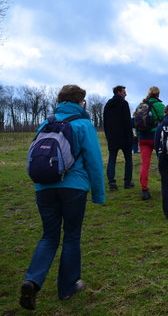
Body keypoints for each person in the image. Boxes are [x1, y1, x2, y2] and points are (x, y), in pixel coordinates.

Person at [19, 85, 105, 310]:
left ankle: (32, 280)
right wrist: (98, 193)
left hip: (44, 186)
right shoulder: (84, 124)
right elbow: (94, 162)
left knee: (48, 236)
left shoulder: (46, 123)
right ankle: (67, 287)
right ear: (80, 102)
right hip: (73, 187)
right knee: (72, 236)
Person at [135, 86, 165, 200]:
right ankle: (166, 185)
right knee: (163, 162)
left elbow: (137, 123)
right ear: (158, 94)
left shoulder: (140, 105)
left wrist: (139, 136)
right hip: (156, 138)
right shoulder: (160, 105)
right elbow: (164, 122)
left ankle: (144, 190)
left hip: (143, 138)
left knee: (145, 164)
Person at [103, 85, 134, 191]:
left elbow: (105, 122)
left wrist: (108, 136)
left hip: (112, 137)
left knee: (112, 159)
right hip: (124, 136)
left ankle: (112, 183)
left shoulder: (108, 104)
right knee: (128, 160)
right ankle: (127, 182)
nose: (126, 94)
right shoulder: (124, 103)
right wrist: (131, 137)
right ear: (119, 92)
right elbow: (127, 122)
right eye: (124, 92)